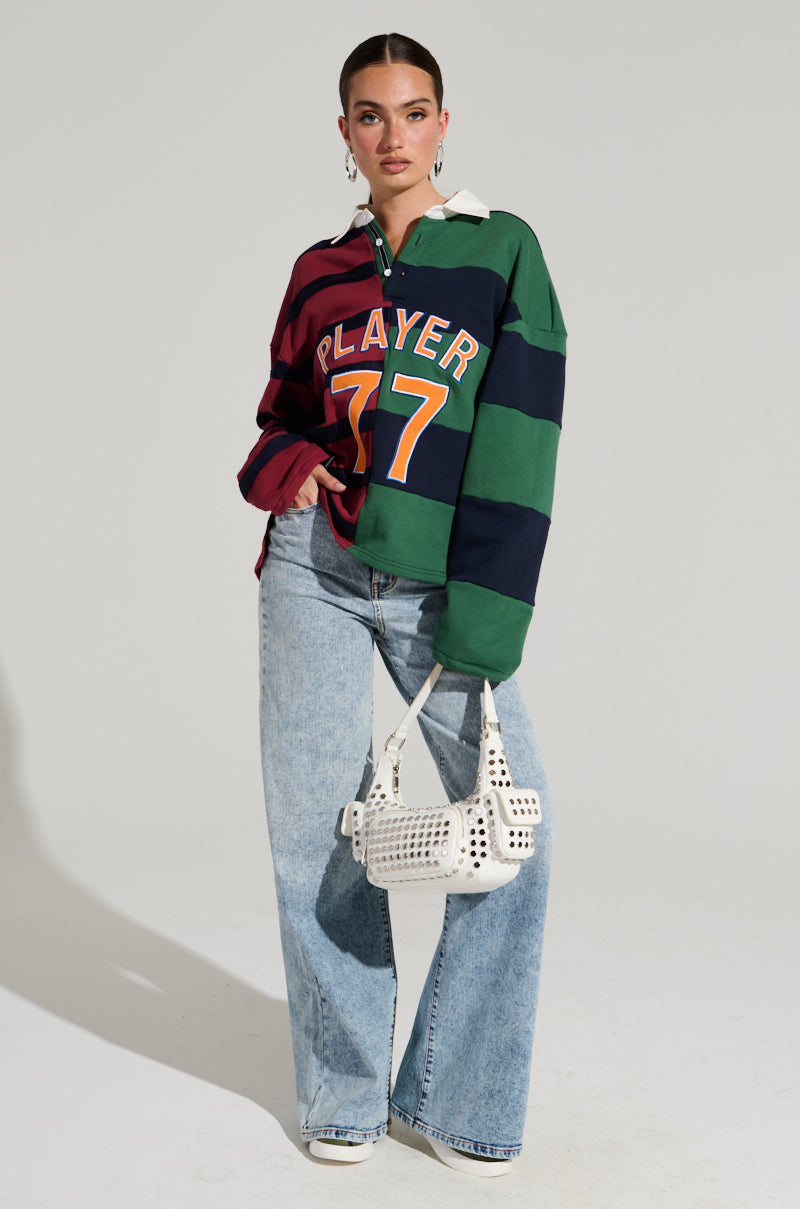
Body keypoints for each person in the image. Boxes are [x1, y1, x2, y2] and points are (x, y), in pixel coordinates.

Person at [238, 32, 567, 1176]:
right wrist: (291, 468)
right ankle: (342, 1098)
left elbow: (521, 439)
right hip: (313, 572)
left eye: (413, 112)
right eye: (369, 116)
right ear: (344, 132)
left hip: (438, 584)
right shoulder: (318, 273)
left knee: (513, 831)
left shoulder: (501, 251)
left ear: (442, 123)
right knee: (315, 843)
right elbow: (278, 415)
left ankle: (454, 1099)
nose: (393, 135)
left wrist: (486, 613)